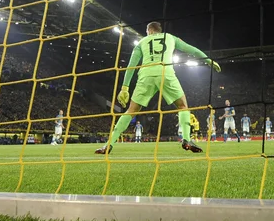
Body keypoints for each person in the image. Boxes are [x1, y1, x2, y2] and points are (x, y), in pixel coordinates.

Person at [94, 21, 221, 154]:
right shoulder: (170, 37)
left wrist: (125, 87)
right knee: (183, 106)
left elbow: (131, 65)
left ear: (149, 31)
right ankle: (187, 139)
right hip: (165, 72)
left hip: (146, 75)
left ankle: (108, 145)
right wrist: (208, 60)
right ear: (159, 30)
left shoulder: (142, 42)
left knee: (131, 111)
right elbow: (191, 49)